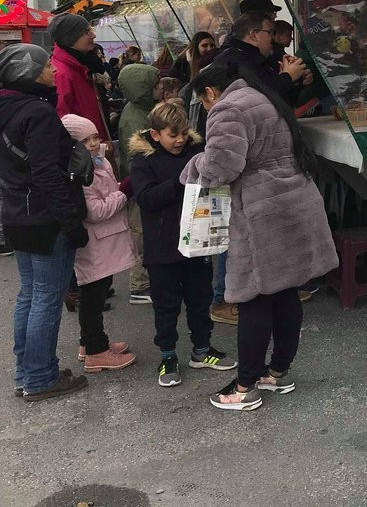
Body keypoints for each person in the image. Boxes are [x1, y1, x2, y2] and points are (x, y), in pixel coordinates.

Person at [185, 64, 337, 411]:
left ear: (210, 92)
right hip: (293, 200)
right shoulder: (262, 97)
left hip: (260, 213)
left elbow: (220, 168)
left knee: (253, 298)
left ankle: (245, 386)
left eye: (202, 102)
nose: (206, 109)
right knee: (285, 291)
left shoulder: (227, 108)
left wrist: (193, 165)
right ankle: (278, 372)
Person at [0, 44, 90, 401]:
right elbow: (46, 173)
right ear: (27, 71)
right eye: (45, 65)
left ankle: (28, 372)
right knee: (46, 299)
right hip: (44, 217)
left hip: (16, 215)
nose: (53, 70)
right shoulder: (36, 112)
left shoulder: (7, 108)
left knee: (29, 295)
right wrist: (71, 222)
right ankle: (39, 377)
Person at [129, 102, 236, 387]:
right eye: (171, 134)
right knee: (166, 306)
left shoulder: (195, 151)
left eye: (183, 133)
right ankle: (167, 356)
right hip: (162, 247)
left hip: (199, 240)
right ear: (154, 134)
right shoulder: (143, 159)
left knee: (200, 299)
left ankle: (202, 350)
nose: (179, 140)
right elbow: (146, 198)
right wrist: (181, 180)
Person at [60, 114, 137, 374]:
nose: (94, 143)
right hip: (95, 244)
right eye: (86, 140)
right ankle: (96, 350)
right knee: (93, 296)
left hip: (104, 242)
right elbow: (95, 211)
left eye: (95, 137)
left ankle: (88, 342)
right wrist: (123, 192)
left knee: (98, 291)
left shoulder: (95, 162)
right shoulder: (81, 172)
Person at [116, 62, 161, 305]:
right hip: (139, 183)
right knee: (141, 233)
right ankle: (140, 285)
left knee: (144, 231)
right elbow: (138, 156)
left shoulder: (140, 110)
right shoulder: (136, 118)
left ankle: (146, 280)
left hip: (140, 181)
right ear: (143, 88)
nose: (159, 88)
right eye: (154, 84)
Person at [48, 14, 110, 145]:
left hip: (94, 145)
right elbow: (63, 121)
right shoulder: (63, 73)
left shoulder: (82, 66)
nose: (93, 35)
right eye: (87, 32)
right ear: (71, 38)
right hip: (86, 150)